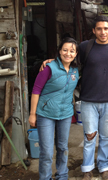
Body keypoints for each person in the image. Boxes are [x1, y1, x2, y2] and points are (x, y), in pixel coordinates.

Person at [40, 16, 108, 180]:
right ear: (93, 31)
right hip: (89, 100)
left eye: (106, 28)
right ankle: (87, 169)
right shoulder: (86, 47)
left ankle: (104, 166)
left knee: (107, 136)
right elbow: (68, 58)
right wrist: (52, 61)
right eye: (99, 29)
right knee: (90, 135)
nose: (102, 32)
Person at [29, 37, 80, 180]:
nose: (68, 53)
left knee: (63, 148)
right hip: (46, 114)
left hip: (65, 114)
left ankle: (62, 175)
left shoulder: (75, 71)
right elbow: (36, 91)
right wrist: (32, 114)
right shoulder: (48, 68)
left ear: (76, 54)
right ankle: (45, 177)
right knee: (46, 151)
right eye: (65, 50)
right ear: (59, 51)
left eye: (72, 51)